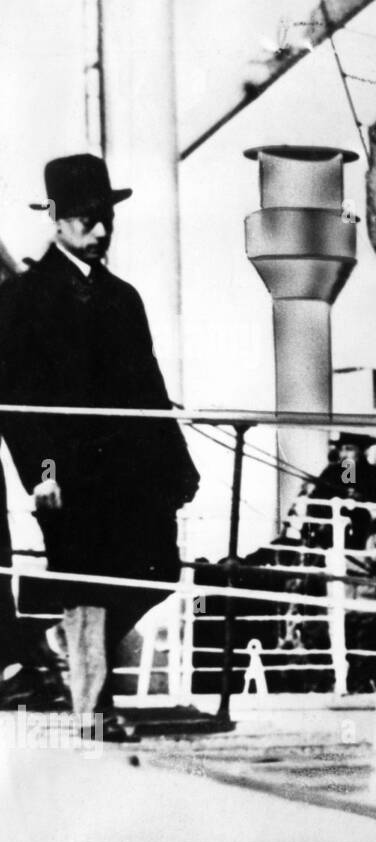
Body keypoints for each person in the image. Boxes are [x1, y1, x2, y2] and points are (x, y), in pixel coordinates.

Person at [0, 154, 199, 741]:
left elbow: (151, 388)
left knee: (157, 569)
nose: (101, 229)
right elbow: (17, 401)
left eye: (106, 216)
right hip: (66, 472)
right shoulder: (23, 300)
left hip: (131, 470)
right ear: (57, 221)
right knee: (86, 580)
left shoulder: (123, 298)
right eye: (87, 219)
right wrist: (44, 473)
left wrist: (177, 464)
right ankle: (94, 707)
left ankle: (84, 658)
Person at [305, 432, 376, 552]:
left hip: (367, 537)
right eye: (341, 449)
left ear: (363, 450)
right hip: (331, 536)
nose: (343, 454)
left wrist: (359, 498)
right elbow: (315, 503)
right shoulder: (331, 473)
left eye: (349, 449)